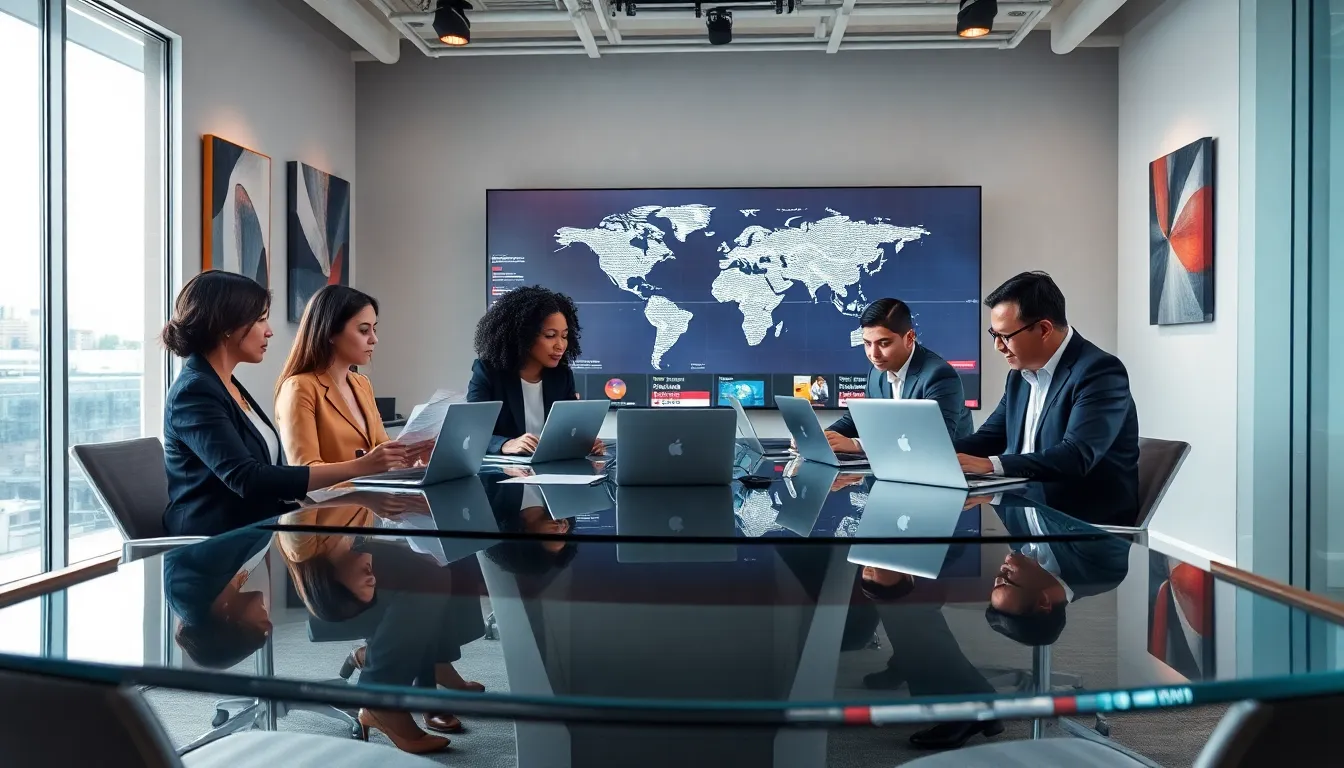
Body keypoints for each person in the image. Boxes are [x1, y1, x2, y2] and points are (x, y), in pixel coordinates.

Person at [160, 271, 409, 536]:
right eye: (260, 320)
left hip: (254, 535)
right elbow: (248, 478)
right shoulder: (194, 392)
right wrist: (360, 468)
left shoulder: (226, 384)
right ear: (226, 326)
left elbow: (268, 471)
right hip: (212, 546)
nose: (269, 331)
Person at [954, 272, 1140, 525]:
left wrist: (989, 466)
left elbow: (1075, 456)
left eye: (1005, 336)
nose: (998, 346)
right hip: (1028, 518)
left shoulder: (1100, 372)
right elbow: (990, 437)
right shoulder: (1019, 375)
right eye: (993, 334)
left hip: (1084, 533)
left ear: (1043, 329)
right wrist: (934, 453)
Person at [274, 285, 430, 468]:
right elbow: (304, 469)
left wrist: (413, 454)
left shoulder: (361, 383)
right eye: (364, 330)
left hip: (371, 494)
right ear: (330, 332)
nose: (374, 339)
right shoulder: (299, 387)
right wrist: (364, 465)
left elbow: (383, 451)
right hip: (329, 497)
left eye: (374, 330)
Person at [467, 285, 604, 456]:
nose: (560, 345)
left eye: (564, 336)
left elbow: (571, 430)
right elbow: (471, 431)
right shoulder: (487, 372)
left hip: (548, 472)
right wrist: (505, 444)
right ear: (523, 336)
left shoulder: (562, 375)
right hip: (502, 477)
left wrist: (584, 442)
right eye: (550, 335)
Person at [825, 297, 973, 453]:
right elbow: (857, 420)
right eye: (867, 343)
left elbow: (933, 440)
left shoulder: (939, 376)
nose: (873, 354)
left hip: (944, 468)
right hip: (894, 465)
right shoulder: (876, 372)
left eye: (884, 343)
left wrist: (858, 445)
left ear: (909, 338)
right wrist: (824, 437)